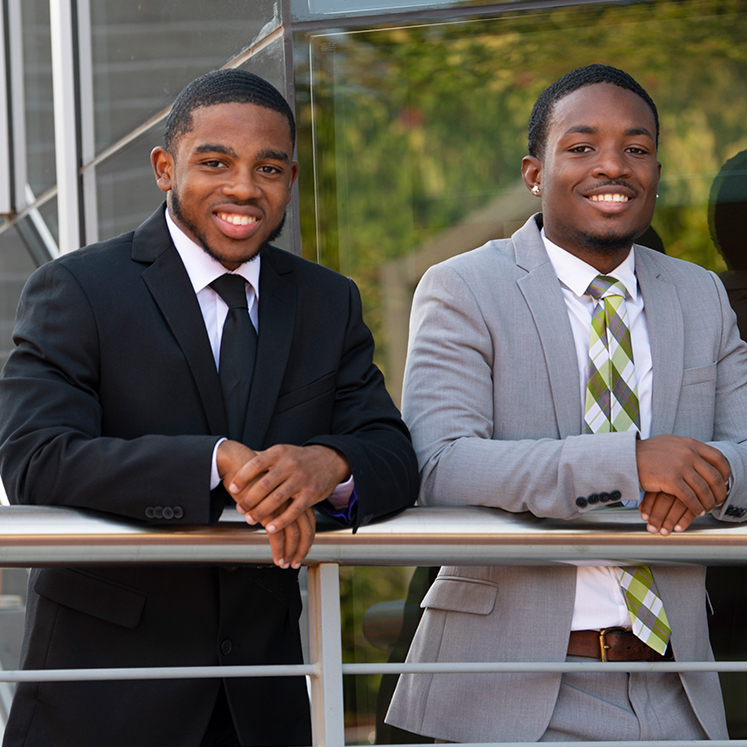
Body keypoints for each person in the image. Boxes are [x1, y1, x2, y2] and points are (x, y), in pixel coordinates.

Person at [0, 69, 418, 747]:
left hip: (263, 702)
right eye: (215, 162)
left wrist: (328, 466)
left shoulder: (325, 301)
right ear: (166, 168)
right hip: (103, 701)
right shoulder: (77, 288)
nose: (244, 188)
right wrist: (212, 463)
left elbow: (393, 456)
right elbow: (36, 458)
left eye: (270, 167)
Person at [385, 64, 747, 742]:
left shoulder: (700, 295)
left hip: (677, 689)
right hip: (508, 690)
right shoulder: (463, 287)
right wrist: (630, 463)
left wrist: (711, 477)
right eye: (581, 147)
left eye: (635, 149)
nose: (611, 165)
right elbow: (441, 463)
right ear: (532, 172)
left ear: (656, 174)